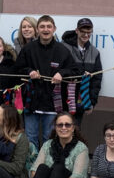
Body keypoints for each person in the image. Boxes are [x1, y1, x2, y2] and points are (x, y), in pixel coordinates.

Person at [14, 15, 78, 148]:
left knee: (49, 138)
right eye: (42, 26)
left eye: (49, 26)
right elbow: (17, 69)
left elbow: (75, 70)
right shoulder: (29, 48)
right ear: (37, 29)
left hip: (53, 104)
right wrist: (29, 72)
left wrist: (62, 73)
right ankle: (31, 166)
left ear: (54, 29)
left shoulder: (62, 50)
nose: (46, 29)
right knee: (30, 138)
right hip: (31, 102)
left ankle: (46, 166)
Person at [19, 113, 89, 178]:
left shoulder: (81, 148)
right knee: (42, 168)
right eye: (60, 125)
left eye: (67, 125)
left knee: (58, 168)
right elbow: (34, 171)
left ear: (73, 128)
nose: (63, 128)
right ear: (55, 128)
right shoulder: (48, 145)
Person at [62, 18, 103, 127]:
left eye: (88, 32)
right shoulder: (64, 47)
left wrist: (92, 102)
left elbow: (97, 79)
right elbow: (60, 70)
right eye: (83, 32)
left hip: (81, 102)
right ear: (76, 31)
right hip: (63, 101)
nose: (85, 35)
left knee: (76, 132)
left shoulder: (94, 52)